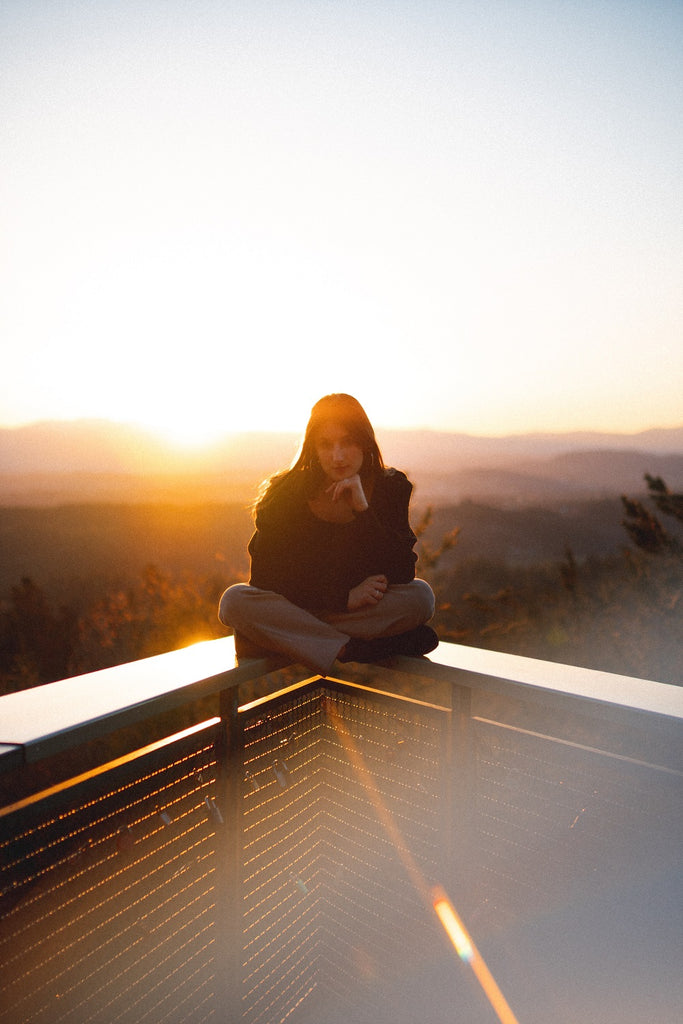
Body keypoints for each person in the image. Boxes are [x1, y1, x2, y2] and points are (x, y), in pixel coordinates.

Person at [218, 393, 438, 676]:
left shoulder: (390, 487)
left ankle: (283, 639)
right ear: (313, 447)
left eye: (347, 442)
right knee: (235, 602)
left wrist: (363, 509)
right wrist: (341, 597)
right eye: (326, 445)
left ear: (364, 441)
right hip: (306, 605)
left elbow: (402, 571)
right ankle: (351, 649)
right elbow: (265, 578)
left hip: (317, 616)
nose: (338, 456)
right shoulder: (284, 494)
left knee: (420, 597)